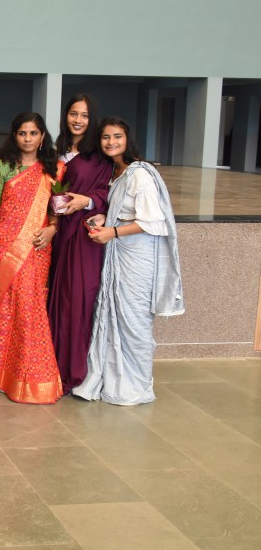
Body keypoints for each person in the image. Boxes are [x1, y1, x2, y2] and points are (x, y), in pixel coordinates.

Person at [74, 118, 184, 406]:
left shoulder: (140, 174)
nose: (111, 142)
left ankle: (136, 387)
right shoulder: (116, 172)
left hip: (137, 255)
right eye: (106, 137)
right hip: (118, 250)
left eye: (117, 136)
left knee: (134, 319)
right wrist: (105, 219)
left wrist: (112, 232)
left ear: (127, 139)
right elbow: (122, 211)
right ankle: (113, 381)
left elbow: (152, 222)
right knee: (114, 314)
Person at [0, 112, 63, 404]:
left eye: (33, 133)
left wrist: (52, 229)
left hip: (36, 248)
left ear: (42, 136)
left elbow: (56, 210)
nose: (28, 138)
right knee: (2, 311)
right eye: (22, 133)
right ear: (14, 136)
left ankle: (30, 379)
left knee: (28, 310)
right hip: (2, 246)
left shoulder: (53, 169)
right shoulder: (2, 167)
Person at [48, 95, 112, 393]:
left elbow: (109, 192)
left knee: (77, 300)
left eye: (84, 115)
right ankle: (51, 365)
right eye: (73, 114)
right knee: (55, 298)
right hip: (55, 233)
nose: (78, 120)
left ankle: (72, 371)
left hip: (82, 236)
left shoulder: (99, 156)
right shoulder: (56, 151)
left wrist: (87, 201)